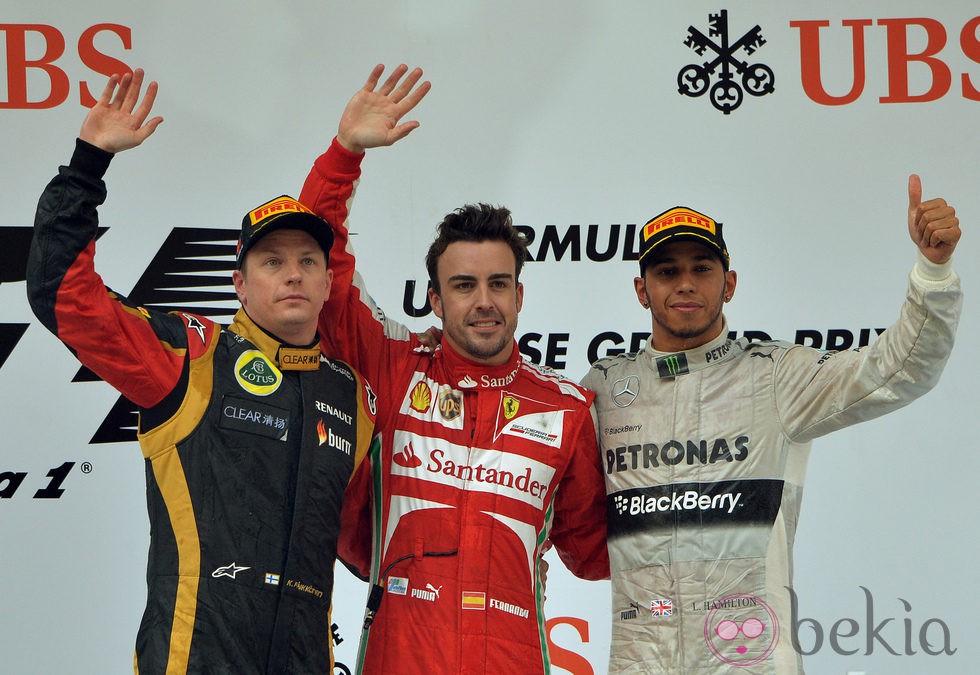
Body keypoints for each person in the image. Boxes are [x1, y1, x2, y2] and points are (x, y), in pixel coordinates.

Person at [26, 69, 376, 674]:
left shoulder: (353, 397)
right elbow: (63, 296)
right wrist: (87, 168)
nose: (292, 273)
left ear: (328, 281)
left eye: (307, 260)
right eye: (271, 261)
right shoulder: (192, 356)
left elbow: (369, 544)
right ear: (239, 284)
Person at [298, 64, 609, 674]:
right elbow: (324, 268)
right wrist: (345, 155)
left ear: (521, 295)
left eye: (498, 283)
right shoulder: (392, 367)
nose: (483, 301)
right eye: (463, 286)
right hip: (400, 655)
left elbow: (595, 552)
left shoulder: (567, 409)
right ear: (436, 301)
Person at [581, 197, 962, 672]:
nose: (685, 284)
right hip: (639, 660)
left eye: (702, 268)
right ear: (642, 289)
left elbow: (900, 369)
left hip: (749, 660)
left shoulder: (776, 376)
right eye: (665, 271)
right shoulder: (603, 389)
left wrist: (934, 271)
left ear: (730, 283)